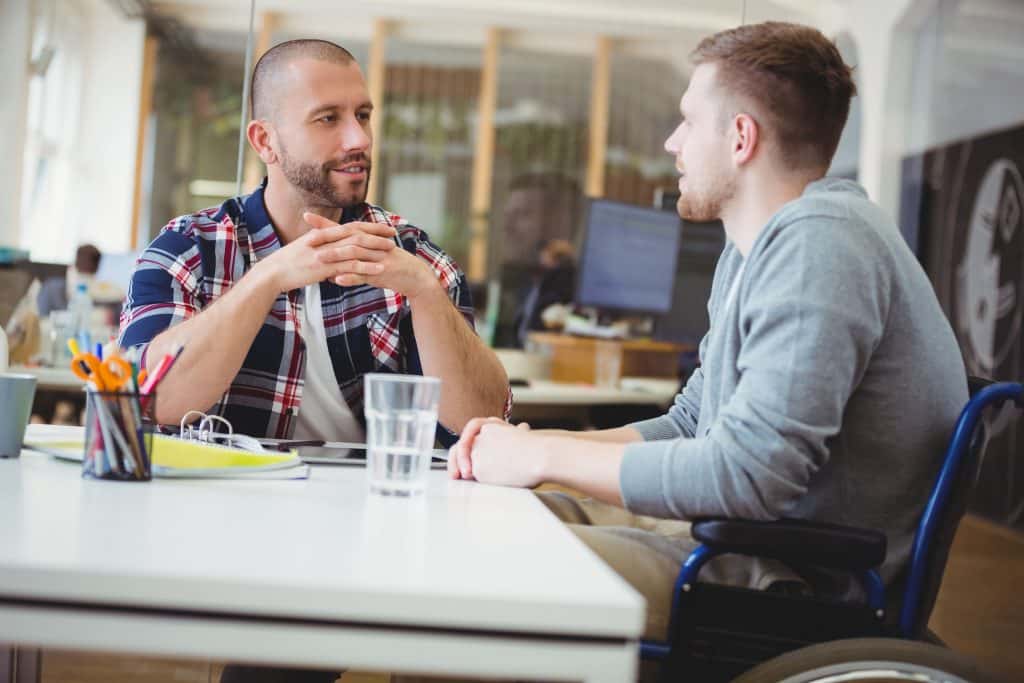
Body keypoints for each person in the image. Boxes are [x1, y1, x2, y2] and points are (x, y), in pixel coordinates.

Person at [449, 20, 968, 646]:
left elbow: (749, 477)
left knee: (475, 568)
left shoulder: (821, 243)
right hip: (734, 541)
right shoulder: (754, 249)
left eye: (689, 121)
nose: (673, 142)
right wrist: (533, 446)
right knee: (504, 510)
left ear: (741, 137)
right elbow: (695, 421)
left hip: (782, 578)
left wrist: (542, 457)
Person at [119, 39, 510, 452]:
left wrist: (428, 294)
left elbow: (482, 422)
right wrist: (266, 278)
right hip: (220, 502)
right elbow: (150, 400)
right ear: (265, 141)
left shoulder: (413, 257)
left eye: (363, 116)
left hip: (371, 506)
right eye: (327, 119)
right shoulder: (189, 249)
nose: (358, 138)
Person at [512, 238, 576, 347]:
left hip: (542, 335)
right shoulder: (554, 276)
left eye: (545, 254)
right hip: (538, 333)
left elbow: (543, 307)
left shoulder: (557, 277)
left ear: (553, 256)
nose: (541, 258)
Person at [37, 243, 101, 316]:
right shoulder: (53, 286)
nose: (88, 265)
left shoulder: (100, 291)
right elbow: (42, 315)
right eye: (84, 260)